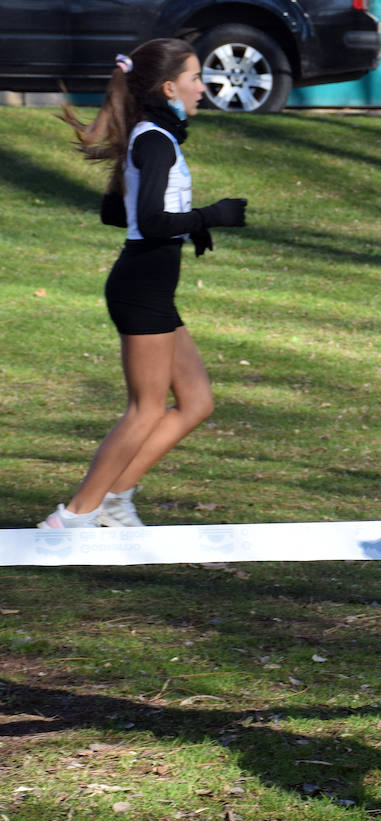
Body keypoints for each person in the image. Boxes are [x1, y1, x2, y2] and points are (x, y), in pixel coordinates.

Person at [39, 38, 247, 530]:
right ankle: (72, 518)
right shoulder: (154, 139)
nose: (203, 87)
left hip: (149, 284)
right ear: (170, 87)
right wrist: (209, 216)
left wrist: (190, 224)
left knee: (196, 402)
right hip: (142, 288)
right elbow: (152, 221)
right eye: (196, 78)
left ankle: (114, 500)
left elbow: (118, 211)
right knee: (145, 410)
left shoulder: (153, 137)